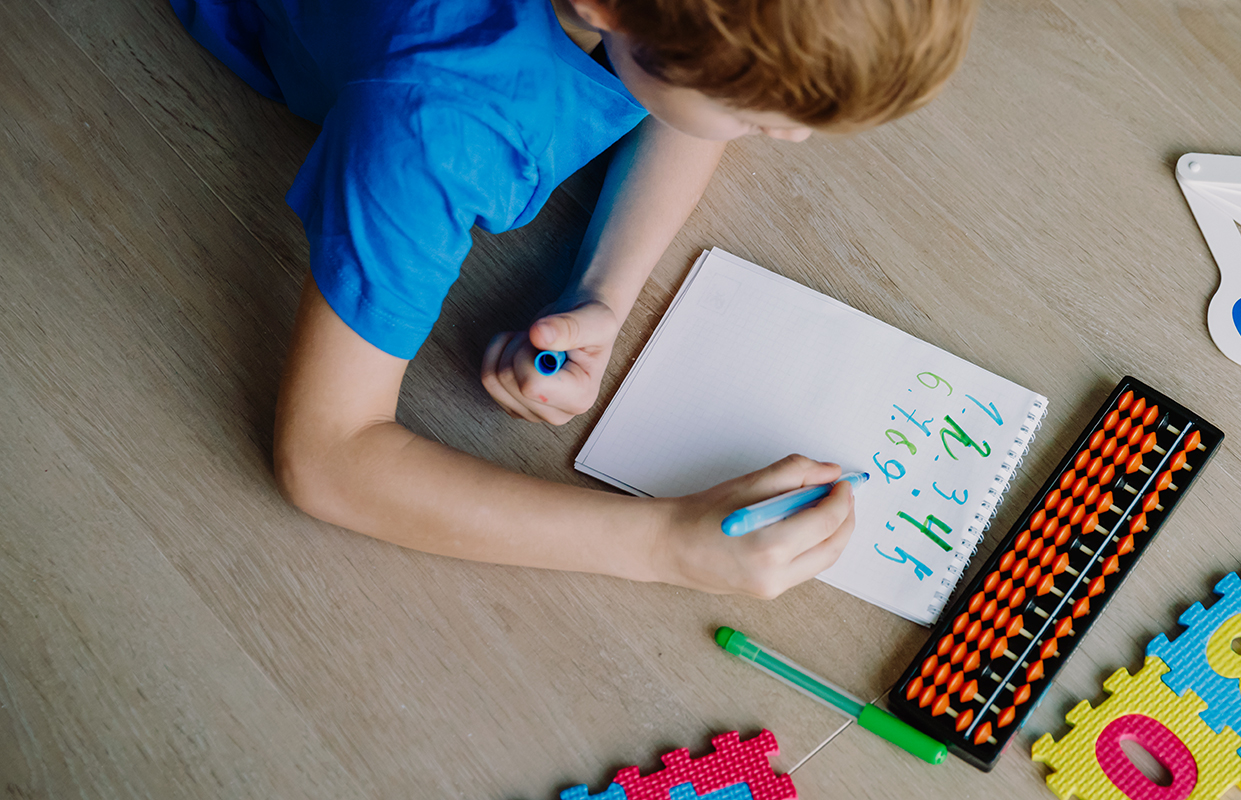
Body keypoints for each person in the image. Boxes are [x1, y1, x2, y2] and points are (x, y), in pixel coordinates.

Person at [170, 0, 977, 598]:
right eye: (751, 116)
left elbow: (692, 80)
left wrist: (603, 290)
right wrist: (665, 544)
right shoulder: (434, 129)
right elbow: (327, 459)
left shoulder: (660, 23)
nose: (788, 138)